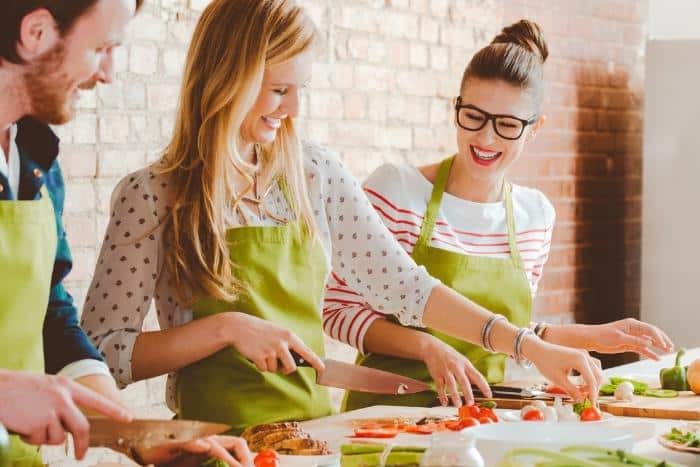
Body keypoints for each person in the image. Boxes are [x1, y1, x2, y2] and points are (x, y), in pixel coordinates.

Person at [81, 0, 605, 437]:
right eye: (279, 89)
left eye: (300, 90)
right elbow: (104, 353)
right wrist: (226, 329)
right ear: (226, 77)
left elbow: (408, 288)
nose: (292, 109)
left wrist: (530, 346)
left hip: (311, 440)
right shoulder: (152, 195)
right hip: (208, 446)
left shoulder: (314, 174)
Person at [323, 19, 673, 410]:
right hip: (386, 419)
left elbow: (509, 335)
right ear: (456, 106)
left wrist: (591, 336)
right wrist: (427, 347)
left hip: (480, 419)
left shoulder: (534, 216)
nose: (486, 139)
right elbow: (337, 311)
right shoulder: (398, 191)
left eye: (507, 125)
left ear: (535, 129)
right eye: (474, 116)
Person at [0, 1, 251, 465]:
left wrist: (135, 433)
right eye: (101, 48)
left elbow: (51, 316)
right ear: (36, 32)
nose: (108, 74)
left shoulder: (35, 158)